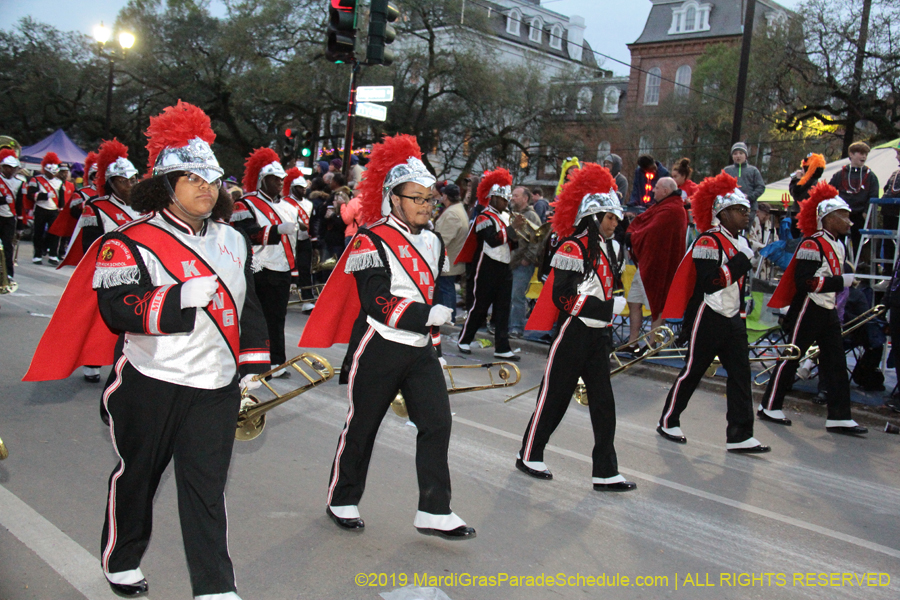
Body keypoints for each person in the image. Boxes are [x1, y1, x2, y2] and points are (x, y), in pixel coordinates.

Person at [23, 100, 270, 600]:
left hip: (213, 390)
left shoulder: (234, 240)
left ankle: (215, 588)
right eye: (192, 179)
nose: (206, 188)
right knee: (138, 479)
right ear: (165, 185)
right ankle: (122, 557)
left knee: (206, 492)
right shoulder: (131, 241)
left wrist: (252, 365)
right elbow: (118, 309)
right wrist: (177, 297)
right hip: (151, 383)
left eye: (212, 179)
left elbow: (249, 309)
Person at [299, 134, 475, 540]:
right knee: (363, 425)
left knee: (437, 424)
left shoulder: (433, 241)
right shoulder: (370, 238)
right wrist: (425, 315)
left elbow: (427, 293)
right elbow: (376, 300)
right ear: (394, 199)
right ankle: (342, 497)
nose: (425, 206)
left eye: (429, 198)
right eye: (416, 198)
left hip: (418, 348)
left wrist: (435, 344)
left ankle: (434, 508)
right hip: (378, 344)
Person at [518, 163, 634, 491]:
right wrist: (605, 307)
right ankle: (529, 453)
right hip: (573, 332)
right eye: (610, 217)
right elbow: (562, 298)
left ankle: (605, 470)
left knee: (604, 403)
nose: (616, 222)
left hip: (599, 335)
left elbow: (613, 288)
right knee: (554, 397)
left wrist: (613, 310)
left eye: (616, 217)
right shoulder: (572, 247)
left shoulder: (614, 248)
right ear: (594, 217)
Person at [658, 172, 769, 453]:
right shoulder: (709, 241)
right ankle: (668, 420)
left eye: (747, 211)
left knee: (741, 375)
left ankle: (740, 434)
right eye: (740, 211)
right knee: (693, 371)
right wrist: (742, 260)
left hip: (732, 317)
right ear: (723, 213)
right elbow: (711, 282)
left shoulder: (737, 241)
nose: (747, 216)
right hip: (708, 314)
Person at [761, 182, 868, 435]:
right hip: (808, 308)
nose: (848, 221)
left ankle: (839, 416)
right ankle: (769, 405)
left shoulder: (838, 244)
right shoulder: (812, 244)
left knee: (836, 362)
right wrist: (842, 281)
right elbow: (805, 283)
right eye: (843, 216)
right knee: (792, 355)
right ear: (828, 218)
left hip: (827, 307)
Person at [230, 148, 298, 375]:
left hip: (281, 268)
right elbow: (245, 234)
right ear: (262, 180)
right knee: (254, 317)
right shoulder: (245, 204)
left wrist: (296, 271)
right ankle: (249, 360)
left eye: (281, 179)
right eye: (274, 179)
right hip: (258, 267)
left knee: (277, 317)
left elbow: (295, 244)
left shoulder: (289, 207)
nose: (279, 183)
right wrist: (276, 230)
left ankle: (275, 361)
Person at [455, 168, 520, 361]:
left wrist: (516, 232)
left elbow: (513, 243)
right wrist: (511, 230)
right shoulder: (484, 217)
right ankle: (464, 339)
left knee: (503, 308)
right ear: (493, 198)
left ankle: (502, 346)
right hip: (486, 266)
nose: (506, 203)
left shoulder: (507, 217)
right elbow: (492, 240)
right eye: (503, 199)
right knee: (480, 306)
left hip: (504, 266)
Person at [624, 177, 687, 354]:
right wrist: (633, 233)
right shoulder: (663, 206)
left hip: (660, 265)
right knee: (634, 301)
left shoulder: (673, 209)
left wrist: (633, 237)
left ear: (666, 191)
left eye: (657, 187)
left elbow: (652, 231)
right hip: (647, 263)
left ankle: (654, 344)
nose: (653, 190)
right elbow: (644, 222)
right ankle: (632, 342)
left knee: (657, 304)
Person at [63, 140, 140, 268]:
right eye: (122, 181)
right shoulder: (97, 206)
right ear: (111, 183)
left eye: (132, 180)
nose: (129, 186)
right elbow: (90, 247)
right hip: (108, 266)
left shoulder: (144, 206)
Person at [828, 141, 879, 254]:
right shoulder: (840, 174)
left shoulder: (870, 176)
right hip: (841, 215)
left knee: (859, 242)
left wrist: (866, 211)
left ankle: (859, 264)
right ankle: (840, 261)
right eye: (860, 153)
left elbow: (873, 195)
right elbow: (828, 191)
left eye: (865, 154)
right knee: (838, 240)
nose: (864, 156)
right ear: (851, 154)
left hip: (860, 215)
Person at [508, 186, 542, 337]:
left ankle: (516, 328)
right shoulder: (514, 214)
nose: (512, 198)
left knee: (517, 296)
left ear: (525, 198)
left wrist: (527, 259)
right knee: (510, 295)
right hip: (513, 260)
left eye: (516, 196)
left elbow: (537, 240)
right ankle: (509, 325)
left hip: (522, 262)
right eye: (512, 195)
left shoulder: (532, 216)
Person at [281, 168, 316, 312]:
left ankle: (307, 300)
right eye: (300, 188)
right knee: (286, 269)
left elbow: (312, 222)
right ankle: (283, 298)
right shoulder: (285, 202)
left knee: (305, 269)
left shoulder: (309, 204)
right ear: (294, 188)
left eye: (304, 188)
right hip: (289, 239)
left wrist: (313, 238)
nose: (303, 191)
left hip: (303, 239)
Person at [434, 183, 468, 322]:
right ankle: (447, 317)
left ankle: (448, 319)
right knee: (446, 287)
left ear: (445, 196)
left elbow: (443, 239)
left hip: (448, 260)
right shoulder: (458, 209)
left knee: (446, 288)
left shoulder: (452, 213)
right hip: (452, 258)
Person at [26, 152, 64, 265]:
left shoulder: (59, 182)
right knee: (38, 232)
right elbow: (30, 194)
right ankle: (37, 254)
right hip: (41, 208)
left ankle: (53, 254)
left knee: (55, 233)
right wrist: (44, 195)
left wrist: (61, 209)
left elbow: (61, 198)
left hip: (53, 211)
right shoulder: (36, 180)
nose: (52, 175)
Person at [723, 142, 765, 220]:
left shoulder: (753, 170)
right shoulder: (726, 170)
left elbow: (761, 187)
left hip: (749, 207)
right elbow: (719, 187)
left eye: (741, 153)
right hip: (730, 207)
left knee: (745, 229)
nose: (738, 156)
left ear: (746, 155)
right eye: (735, 153)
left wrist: (749, 196)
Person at [0, 149, 24, 282]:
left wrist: (20, 224)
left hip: (10, 217)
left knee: (8, 245)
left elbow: (20, 204)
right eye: (7, 167)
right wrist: (3, 200)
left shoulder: (19, 182)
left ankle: (8, 273)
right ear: (3, 167)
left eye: (13, 168)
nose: (10, 170)